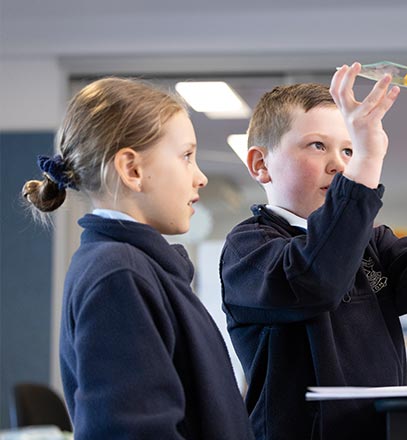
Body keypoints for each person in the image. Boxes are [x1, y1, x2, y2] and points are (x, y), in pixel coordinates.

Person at [220, 62, 407, 439]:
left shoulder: (370, 246)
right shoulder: (249, 249)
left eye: (349, 149)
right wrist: (367, 162)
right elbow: (316, 277)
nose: (340, 165)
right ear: (261, 164)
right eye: (318, 146)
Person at [22, 77, 254, 439]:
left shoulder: (135, 267)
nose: (201, 177)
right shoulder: (119, 274)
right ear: (132, 170)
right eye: (186, 156)